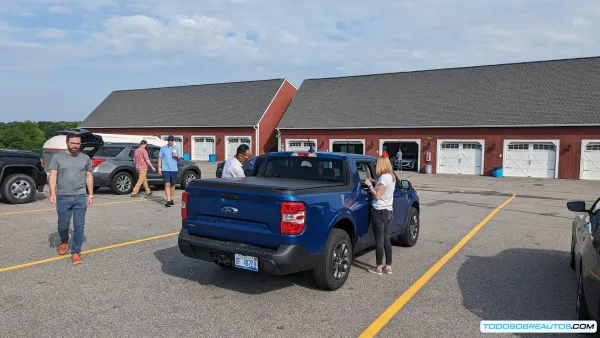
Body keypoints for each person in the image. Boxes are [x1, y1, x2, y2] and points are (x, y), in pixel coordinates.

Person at [48, 132, 94, 265]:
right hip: (63, 197)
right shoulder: (58, 157)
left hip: (80, 196)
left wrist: (90, 194)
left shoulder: (85, 158)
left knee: (79, 226)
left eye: (78, 144)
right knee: (63, 226)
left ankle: (75, 252)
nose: (75, 146)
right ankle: (64, 240)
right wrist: (52, 193)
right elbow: (53, 176)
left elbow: (89, 176)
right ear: (67, 143)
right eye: (73, 143)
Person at [365, 155, 396, 275]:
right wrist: (374, 181)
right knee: (386, 239)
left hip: (379, 211)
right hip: (388, 210)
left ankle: (378, 267)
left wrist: (369, 184)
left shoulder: (383, 178)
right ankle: (388, 266)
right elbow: (384, 187)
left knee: (379, 241)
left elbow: (377, 196)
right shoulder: (391, 176)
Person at [158, 135, 181, 207]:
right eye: (169, 140)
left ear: (173, 141)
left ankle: (171, 198)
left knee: (173, 184)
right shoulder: (163, 148)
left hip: (174, 169)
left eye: (171, 140)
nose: (170, 141)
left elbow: (179, 159)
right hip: (165, 169)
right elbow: (160, 158)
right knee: (167, 184)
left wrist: (177, 156)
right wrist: (159, 168)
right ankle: (168, 200)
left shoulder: (176, 148)